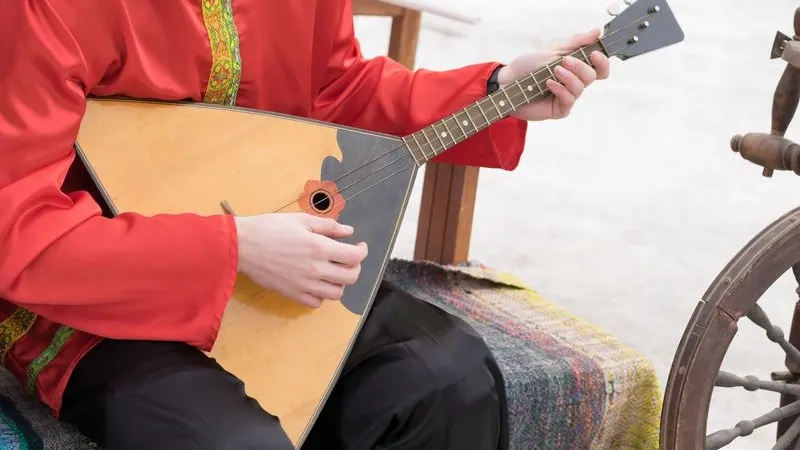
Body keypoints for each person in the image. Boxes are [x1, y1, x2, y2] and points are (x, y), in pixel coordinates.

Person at [0, 1, 610, 449]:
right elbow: (17, 225)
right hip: (89, 306)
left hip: (273, 253)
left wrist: (497, 90)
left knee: (447, 378)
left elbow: (334, 91)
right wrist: (232, 249)